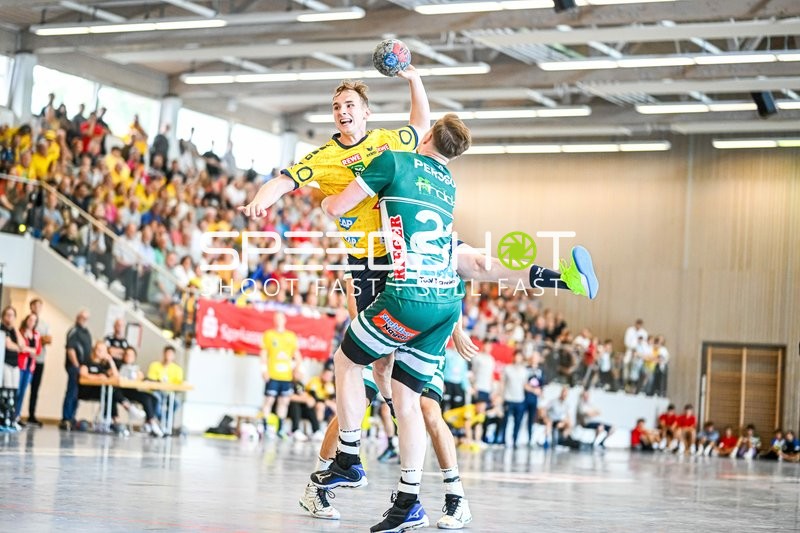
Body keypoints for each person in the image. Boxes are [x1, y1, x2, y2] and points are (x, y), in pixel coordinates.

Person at [309, 114, 473, 532]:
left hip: (412, 301)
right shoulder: (445, 188)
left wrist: (324, 198)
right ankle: (341, 483)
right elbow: (453, 258)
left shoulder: (395, 163)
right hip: (434, 302)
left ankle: (451, 495)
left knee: (415, 403)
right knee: (387, 398)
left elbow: (337, 206)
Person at [260, 312, 301, 438]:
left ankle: (280, 429)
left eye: (280, 318)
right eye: (276, 318)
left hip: (286, 376)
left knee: (284, 402)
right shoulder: (269, 335)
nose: (278, 320)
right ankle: (266, 427)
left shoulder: (291, 336)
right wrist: (263, 370)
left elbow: (297, 355)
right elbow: (263, 353)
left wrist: (298, 369)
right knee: (269, 400)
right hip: (273, 374)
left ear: (285, 320)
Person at [78, 341, 131, 435]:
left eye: (103, 350)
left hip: (102, 391)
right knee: (110, 392)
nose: (100, 352)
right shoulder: (87, 361)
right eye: (99, 350)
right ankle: (121, 409)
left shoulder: (104, 365)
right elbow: (83, 374)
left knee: (111, 392)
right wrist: (98, 377)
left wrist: (111, 361)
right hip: (88, 391)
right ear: (94, 350)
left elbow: (116, 376)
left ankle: (111, 419)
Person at [118, 347, 164, 437]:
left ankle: (148, 423)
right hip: (122, 391)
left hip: (133, 390)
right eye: (127, 355)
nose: (129, 357)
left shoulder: (136, 369)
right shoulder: (119, 366)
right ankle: (152, 423)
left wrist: (141, 378)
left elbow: (141, 380)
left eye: (131, 355)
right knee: (145, 398)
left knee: (154, 398)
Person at [61, 309, 92, 430]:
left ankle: (72, 417)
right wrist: (77, 366)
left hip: (84, 369)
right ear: (77, 317)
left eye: (86, 318)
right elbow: (71, 350)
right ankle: (66, 418)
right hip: (74, 367)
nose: (84, 320)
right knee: (71, 392)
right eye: (82, 317)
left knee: (77, 394)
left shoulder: (86, 332)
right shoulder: (74, 331)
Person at [26, 299, 51, 427]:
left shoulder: (44, 324)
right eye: (35, 305)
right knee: (21, 387)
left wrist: (37, 338)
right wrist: (40, 339)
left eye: (40, 306)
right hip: (26, 360)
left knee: (35, 389)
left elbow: (49, 339)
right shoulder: (27, 321)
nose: (37, 307)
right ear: (31, 306)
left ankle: (31, 415)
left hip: (39, 360)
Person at [1, 306, 27, 431]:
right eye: (7, 315)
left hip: (15, 364)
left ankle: (11, 420)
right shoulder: (2, 329)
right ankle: (4, 419)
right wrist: (20, 348)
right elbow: (9, 345)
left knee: (14, 392)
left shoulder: (14, 331)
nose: (10, 318)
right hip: (5, 363)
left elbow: (22, 344)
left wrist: (16, 329)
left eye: (12, 315)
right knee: (5, 392)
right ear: (3, 316)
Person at [146, 346, 184, 423]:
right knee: (157, 399)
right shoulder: (155, 365)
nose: (168, 356)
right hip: (156, 391)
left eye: (170, 354)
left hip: (169, 393)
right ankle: (157, 419)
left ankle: (163, 421)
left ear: (174, 356)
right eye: (167, 353)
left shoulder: (177, 369)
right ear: (163, 354)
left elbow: (179, 382)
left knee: (176, 403)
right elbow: (151, 380)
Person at [15, 313, 41, 425]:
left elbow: (38, 351)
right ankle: (11, 415)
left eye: (34, 320)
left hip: (30, 368)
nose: (31, 322)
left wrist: (27, 350)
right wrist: (30, 350)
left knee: (23, 392)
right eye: (30, 319)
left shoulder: (36, 335)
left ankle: (17, 416)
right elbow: (20, 348)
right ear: (26, 320)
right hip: (20, 366)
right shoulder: (20, 332)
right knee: (17, 391)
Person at [500, 351, 529, 448]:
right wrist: (501, 396)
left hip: (519, 399)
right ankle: (503, 440)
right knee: (505, 421)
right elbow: (503, 383)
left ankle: (515, 440)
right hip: (508, 398)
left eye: (520, 357)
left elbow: (525, 385)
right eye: (516, 356)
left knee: (518, 421)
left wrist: (535, 390)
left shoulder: (524, 371)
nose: (518, 358)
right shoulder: (507, 368)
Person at [470, 342, 496, 444]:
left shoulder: (491, 359)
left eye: (489, 346)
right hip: (478, 387)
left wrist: (492, 390)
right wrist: (474, 385)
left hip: (487, 389)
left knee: (483, 414)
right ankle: (473, 437)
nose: (487, 347)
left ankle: (480, 438)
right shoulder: (477, 357)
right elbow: (473, 372)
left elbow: (491, 375)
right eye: (486, 345)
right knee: (476, 412)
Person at [524, 352, 545, 447]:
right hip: (524, 397)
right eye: (532, 357)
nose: (534, 360)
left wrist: (541, 393)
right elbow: (523, 383)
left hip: (534, 399)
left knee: (532, 419)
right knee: (521, 418)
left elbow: (542, 385)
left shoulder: (540, 371)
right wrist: (532, 389)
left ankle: (530, 438)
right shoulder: (525, 369)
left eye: (536, 358)